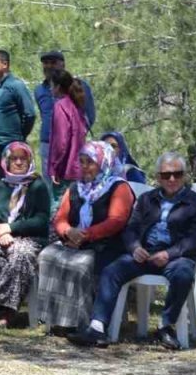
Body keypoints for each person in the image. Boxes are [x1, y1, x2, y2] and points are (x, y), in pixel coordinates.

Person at [69, 152, 196, 349]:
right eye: (166, 175)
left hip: (177, 257)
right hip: (146, 254)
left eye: (177, 174)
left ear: (184, 175)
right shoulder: (146, 199)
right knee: (112, 270)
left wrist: (169, 254)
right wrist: (135, 247)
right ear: (158, 177)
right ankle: (97, 327)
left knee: (183, 275)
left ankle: (166, 325)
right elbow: (130, 229)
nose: (171, 179)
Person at [36, 141, 136, 332]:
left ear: (103, 162)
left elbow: (117, 221)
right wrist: (68, 231)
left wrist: (86, 235)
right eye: (81, 162)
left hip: (107, 244)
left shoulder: (118, 187)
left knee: (80, 264)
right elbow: (59, 219)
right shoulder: (76, 188)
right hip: (75, 241)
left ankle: (80, 322)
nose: (84, 167)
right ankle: (56, 320)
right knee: (47, 256)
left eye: (89, 162)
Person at [0, 142, 53, 328]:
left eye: (24, 158)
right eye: (14, 158)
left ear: (30, 160)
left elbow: (41, 220)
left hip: (30, 238)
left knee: (20, 254)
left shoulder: (38, 186)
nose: (19, 162)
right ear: (6, 161)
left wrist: (11, 228)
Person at [35, 51, 96, 169]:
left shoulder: (79, 86)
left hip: (72, 145)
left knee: (73, 181)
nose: (48, 66)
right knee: (50, 184)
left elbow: (90, 115)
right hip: (48, 144)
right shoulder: (39, 90)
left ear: (62, 65)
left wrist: (77, 135)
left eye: (53, 63)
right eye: (45, 63)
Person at [46, 70, 88, 198]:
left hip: (65, 170)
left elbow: (61, 142)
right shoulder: (75, 105)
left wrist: (54, 167)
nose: (50, 89)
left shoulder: (61, 106)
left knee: (57, 211)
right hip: (78, 167)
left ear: (58, 87)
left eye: (52, 85)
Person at [0, 50, 36, 154]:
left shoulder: (16, 85)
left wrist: (20, 136)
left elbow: (30, 114)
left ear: (5, 64)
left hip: (11, 144)